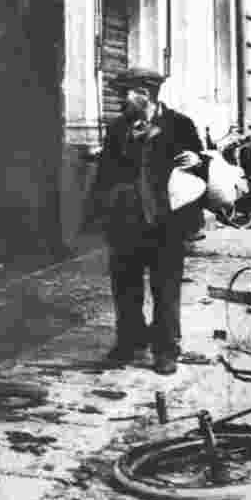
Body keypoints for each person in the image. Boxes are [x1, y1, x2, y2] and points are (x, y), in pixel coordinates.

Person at [84, 69, 205, 375]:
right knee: (125, 287)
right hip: (125, 222)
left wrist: (197, 160)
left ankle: (166, 350)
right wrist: (99, 213)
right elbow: (104, 177)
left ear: (145, 94)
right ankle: (128, 343)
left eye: (125, 93)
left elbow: (201, 168)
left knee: (165, 288)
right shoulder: (116, 129)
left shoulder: (179, 124)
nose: (119, 100)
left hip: (165, 223)